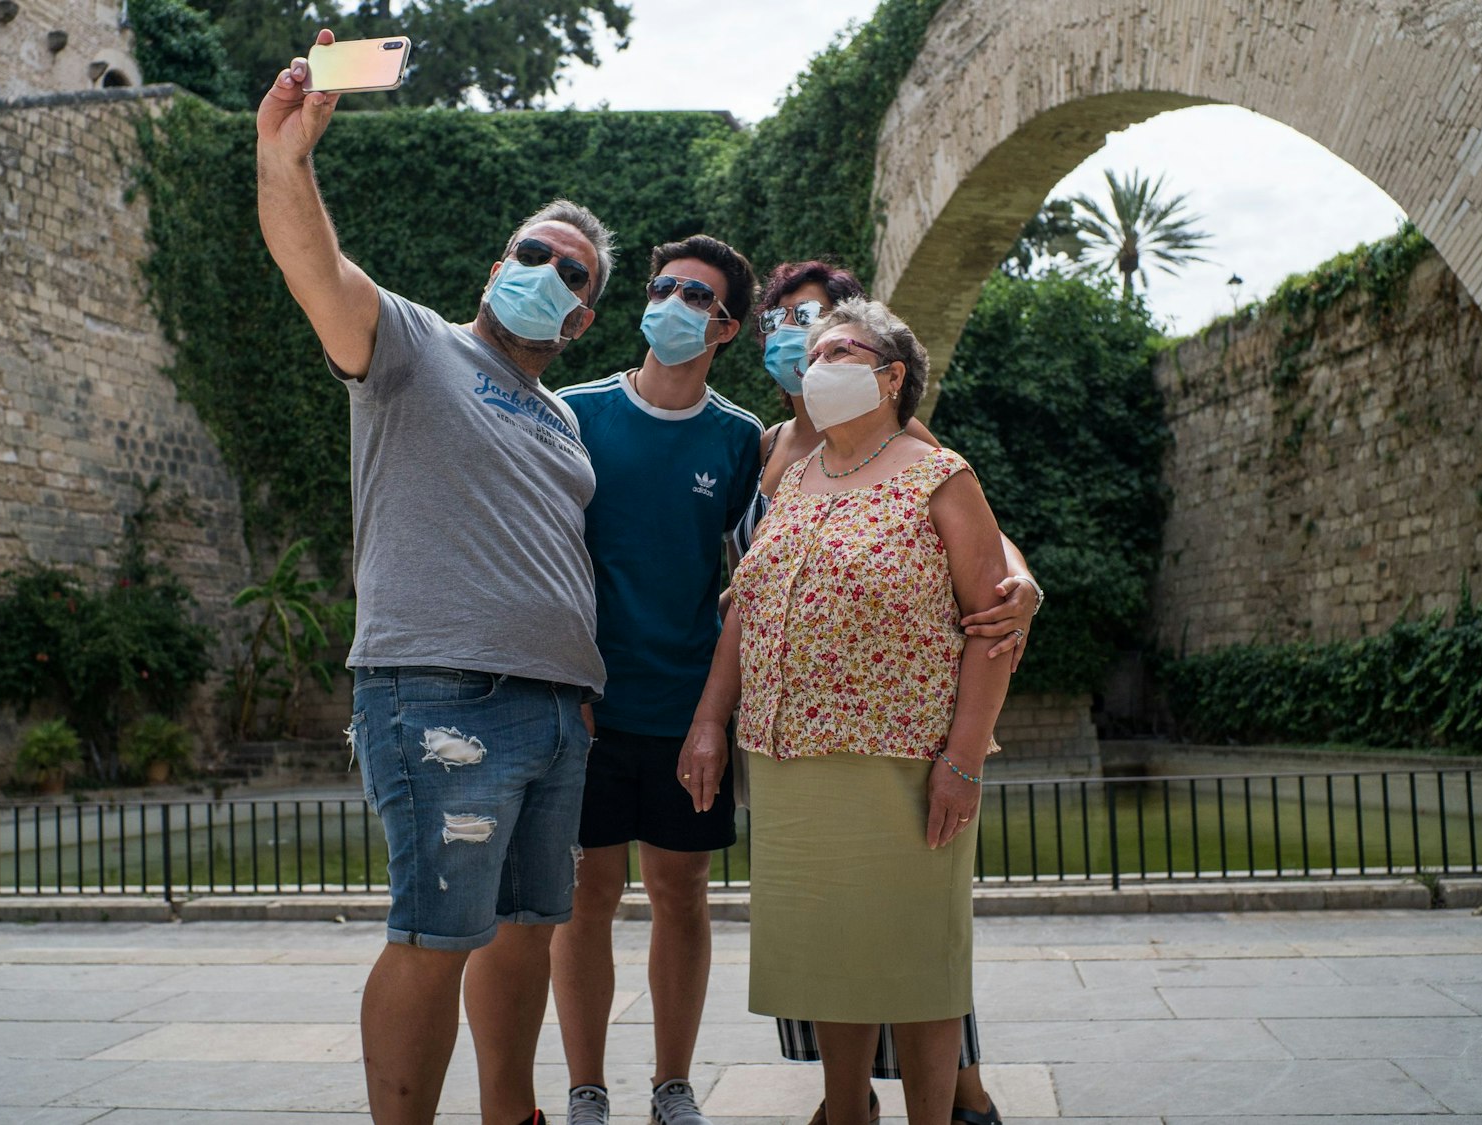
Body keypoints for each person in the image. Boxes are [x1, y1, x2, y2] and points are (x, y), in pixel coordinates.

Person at [256, 32, 609, 1125]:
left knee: (527, 930)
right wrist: (287, 161)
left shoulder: (560, 417)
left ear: (584, 314)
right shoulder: (410, 344)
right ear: (494, 266)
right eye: (532, 254)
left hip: (553, 711)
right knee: (433, 934)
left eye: (572, 274)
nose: (545, 274)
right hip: (439, 696)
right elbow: (314, 266)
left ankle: (514, 1114)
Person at [681, 298, 1018, 1125]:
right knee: (829, 962)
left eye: (839, 349)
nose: (816, 362)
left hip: (900, 761)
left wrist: (964, 759)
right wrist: (708, 720)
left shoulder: (938, 473)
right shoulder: (796, 476)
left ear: (891, 375)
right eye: (814, 350)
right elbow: (746, 607)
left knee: (917, 964)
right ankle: (845, 1111)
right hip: (790, 763)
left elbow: (994, 629)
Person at [549, 235, 764, 1125]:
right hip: (585, 712)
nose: (673, 303)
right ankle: (586, 1089)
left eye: (696, 296)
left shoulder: (742, 439)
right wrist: (568, 688)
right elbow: (542, 559)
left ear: (725, 328)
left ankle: (673, 1087)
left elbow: (752, 582)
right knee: (582, 899)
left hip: (686, 718)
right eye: (664, 286)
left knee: (682, 895)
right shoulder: (573, 412)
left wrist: (715, 717)